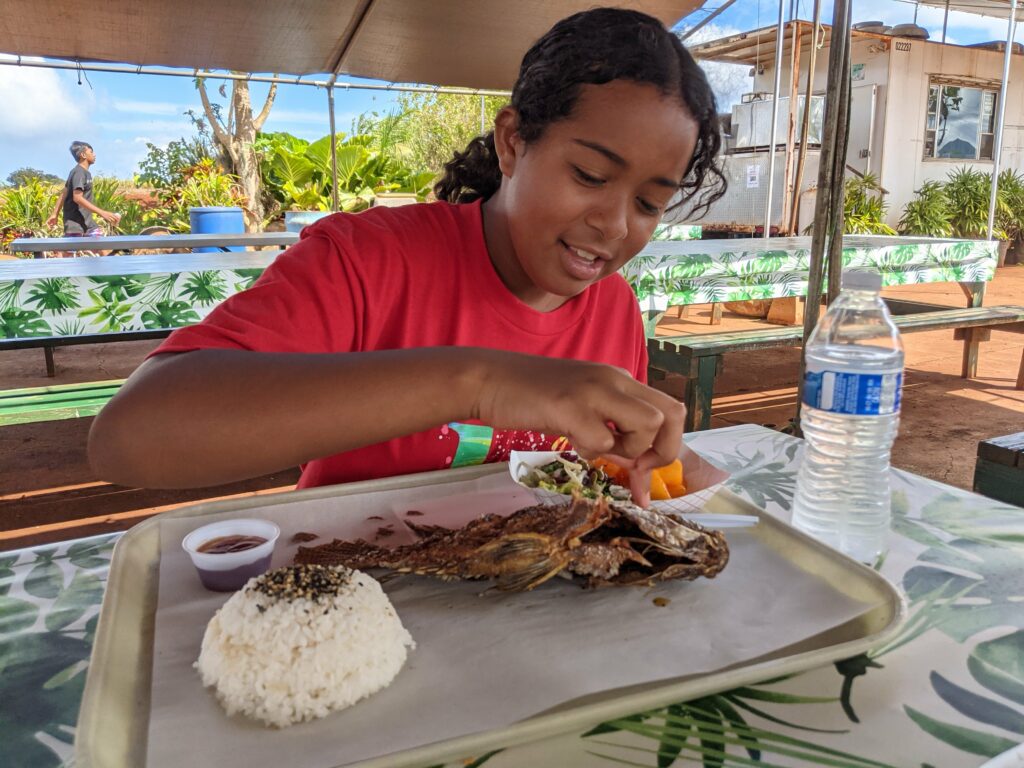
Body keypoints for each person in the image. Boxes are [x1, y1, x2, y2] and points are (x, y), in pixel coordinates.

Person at [88, 7, 725, 505]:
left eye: (648, 202)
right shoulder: (366, 262)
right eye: (588, 174)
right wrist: (483, 383)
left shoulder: (612, 306)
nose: (614, 224)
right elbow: (131, 438)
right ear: (512, 142)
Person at [47, 141, 122, 243]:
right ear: (83, 155)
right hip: (75, 224)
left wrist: (54, 214)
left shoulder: (83, 173)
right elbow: (77, 198)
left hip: (88, 223)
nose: (94, 154)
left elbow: (64, 193)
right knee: (68, 254)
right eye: (91, 152)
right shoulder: (79, 172)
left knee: (103, 248)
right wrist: (102, 213)